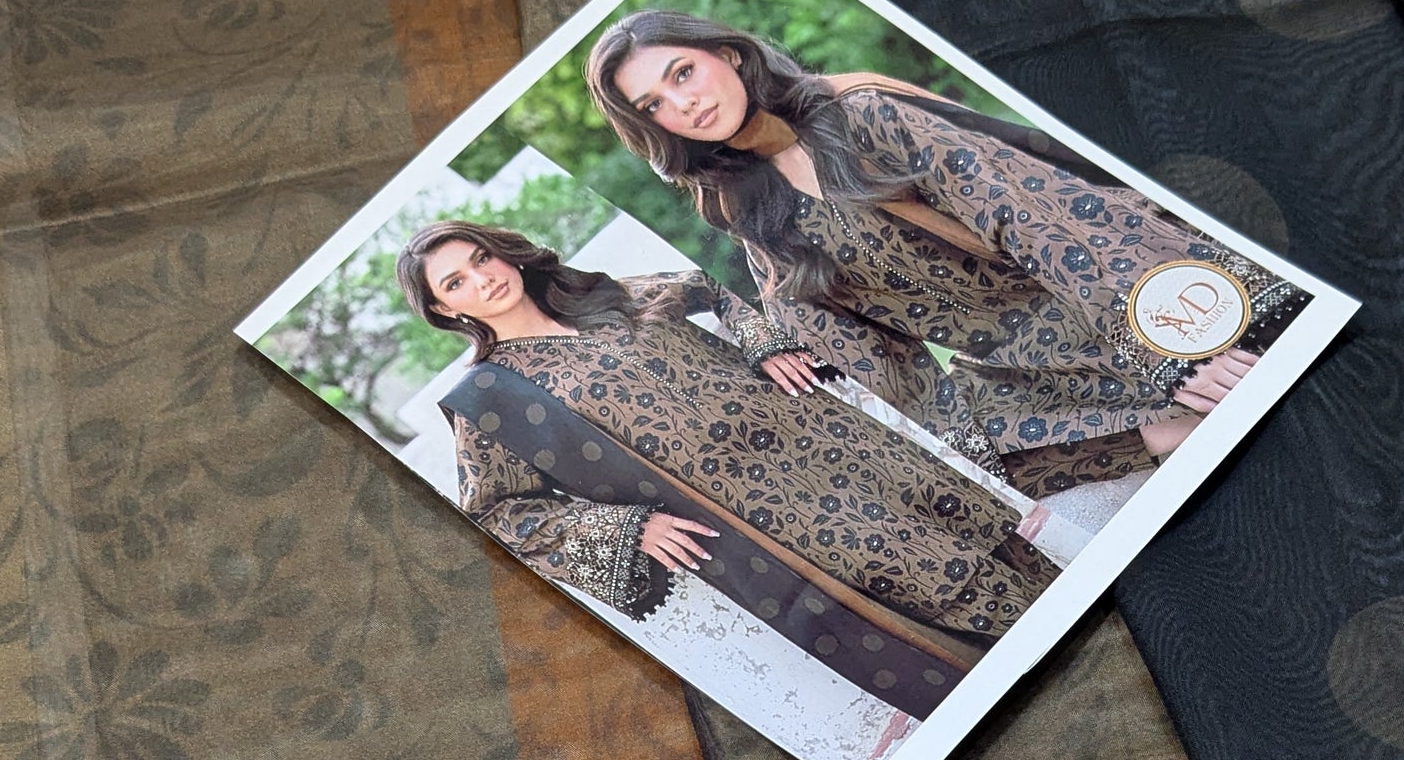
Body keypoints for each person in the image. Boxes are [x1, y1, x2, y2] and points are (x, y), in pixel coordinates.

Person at [585, 11, 1301, 489]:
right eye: (653, 105)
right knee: (956, 457)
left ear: (728, 54)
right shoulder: (741, 206)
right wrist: (776, 342)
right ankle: (1161, 429)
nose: (682, 104)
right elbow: (852, 343)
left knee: (1216, 343)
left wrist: (1161, 340)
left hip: (1097, 284)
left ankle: (1173, 376)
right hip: (1028, 363)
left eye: (682, 73)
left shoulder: (861, 111)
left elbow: (1034, 214)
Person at [392, 223, 1049, 663]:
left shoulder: (605, 297)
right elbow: (496, 513)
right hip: (770, 511)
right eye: (455, 283)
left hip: (832, 440)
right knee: (937, 582)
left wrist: (766, 343)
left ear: (503, 253)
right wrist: (627, 530)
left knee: (996, 544)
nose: (481, 279)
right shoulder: (494, 396)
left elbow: (713, 285)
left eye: (480, 259)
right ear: (446, 310)